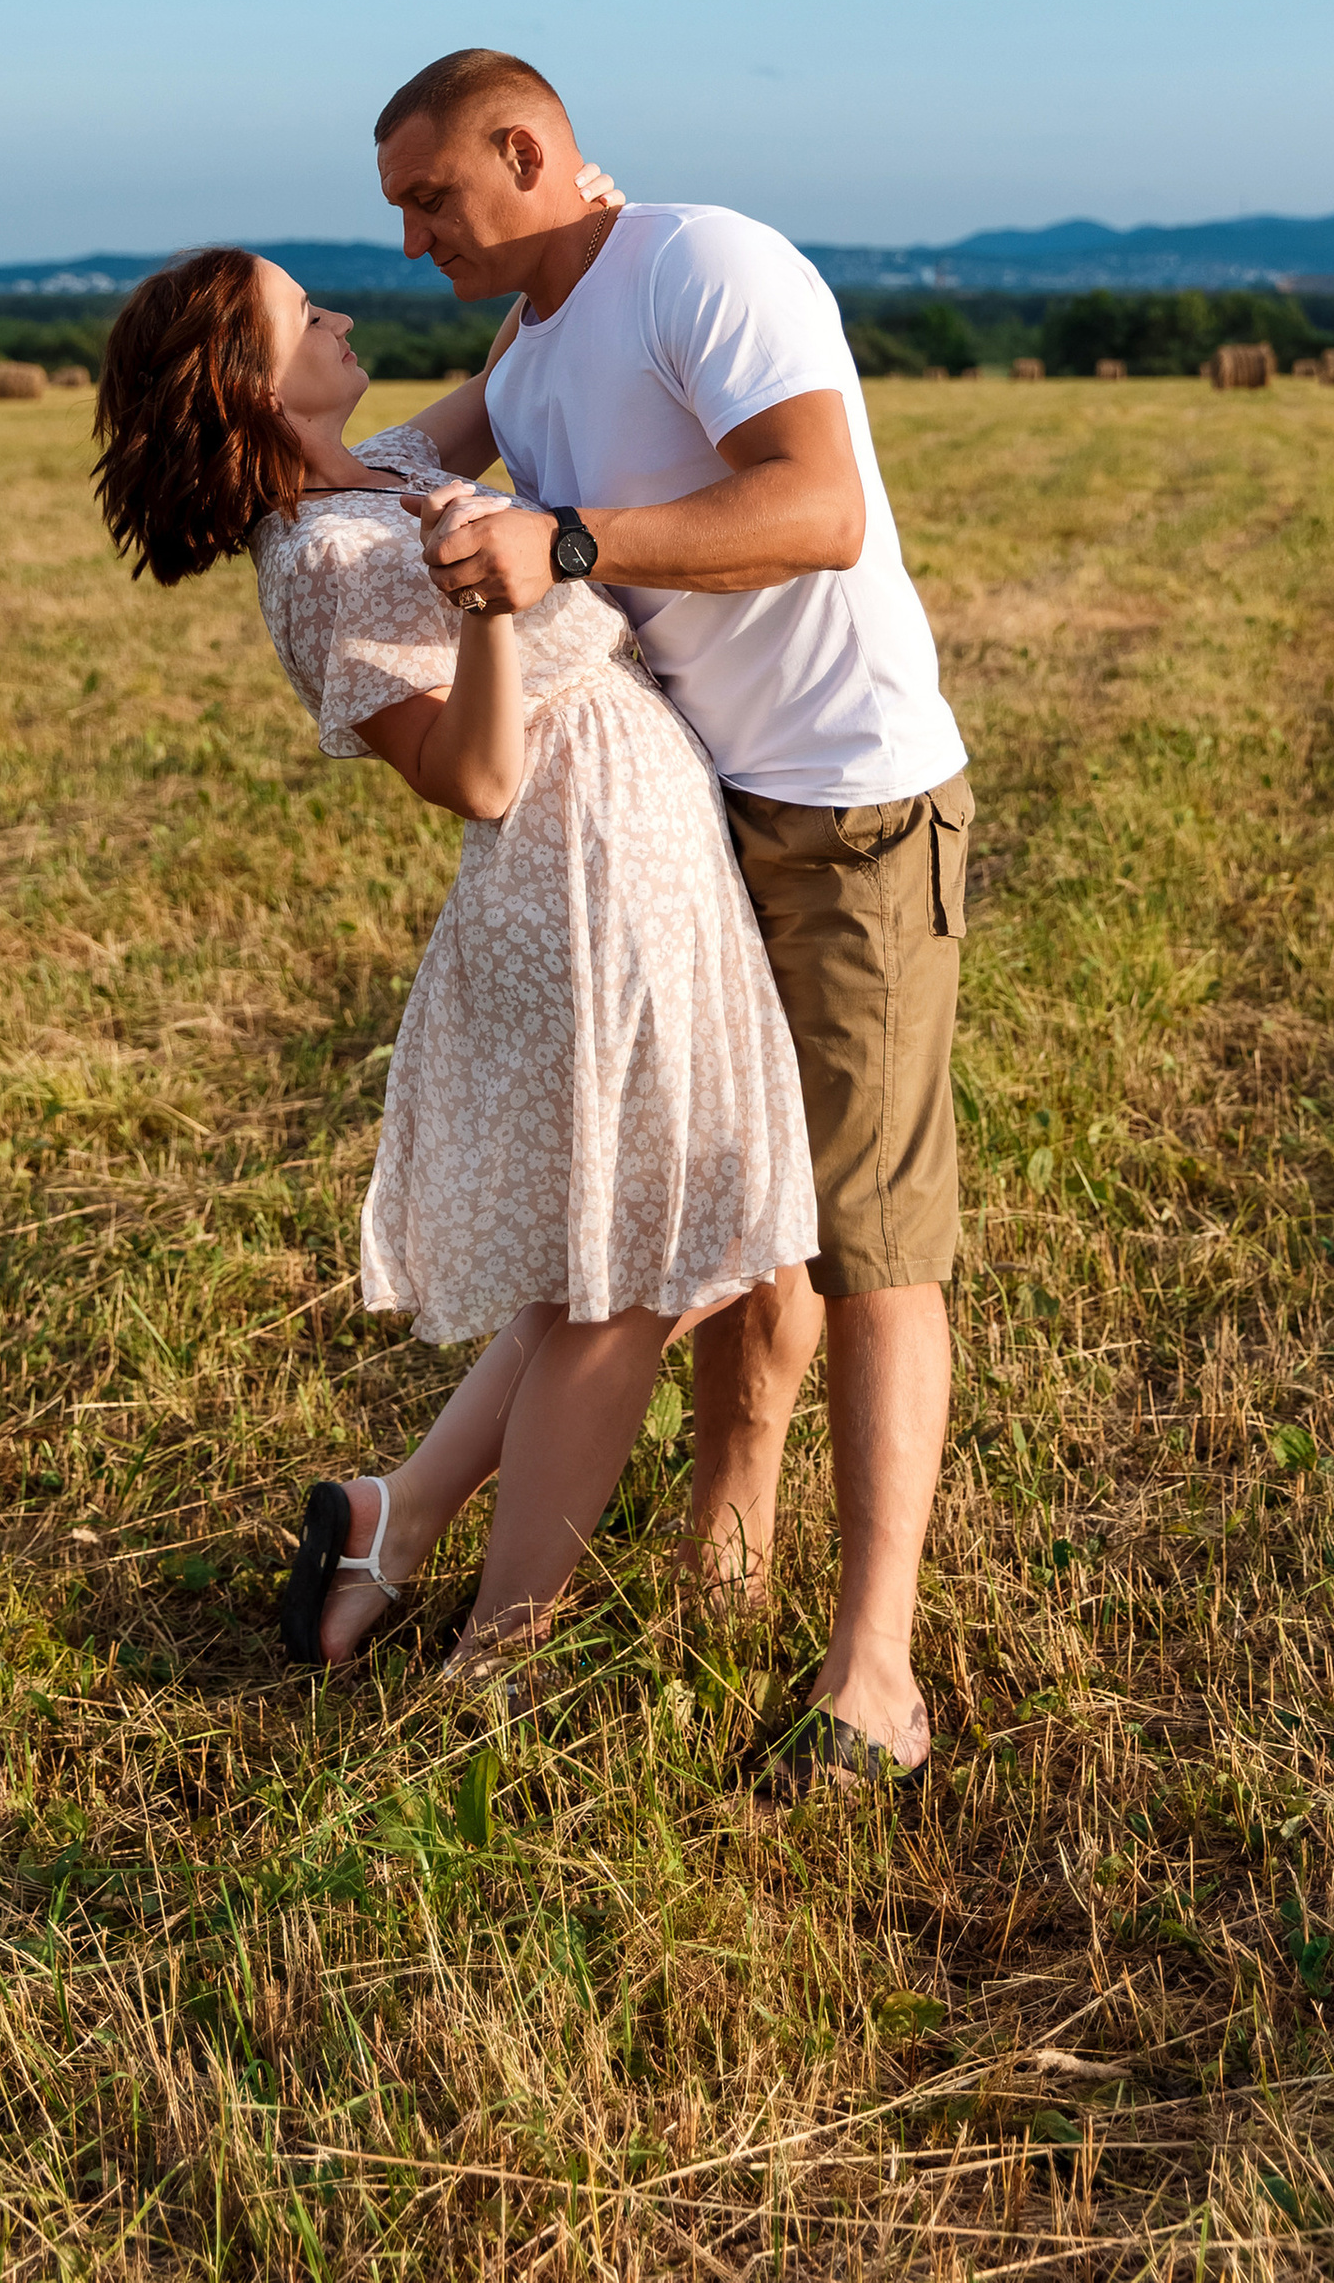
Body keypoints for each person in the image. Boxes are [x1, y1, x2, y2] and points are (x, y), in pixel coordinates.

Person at [88, 221, 817, 1679]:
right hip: (581, 885)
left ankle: (390, 1523)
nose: (343, 318)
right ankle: (499, 1651)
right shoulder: (315, 557)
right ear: (250, 379)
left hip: (644, 855)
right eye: (306, 317)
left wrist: (583, 240)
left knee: (608, 1259)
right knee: (638, 1273)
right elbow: (475, 777)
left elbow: (507, 367)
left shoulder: (392, 471)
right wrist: (498, 604)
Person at [378, 48, 972, 1793]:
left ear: (527, 149)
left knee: (870, 1249)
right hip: (702, 813)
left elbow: (818, 504)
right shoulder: (530, 336)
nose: (414, 240)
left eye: (433, 198)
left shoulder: (702, 265)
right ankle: (729, 1550)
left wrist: (565, 543)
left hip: (851, 810)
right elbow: (391, 459)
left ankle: (879, 1679)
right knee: (728, 1210)